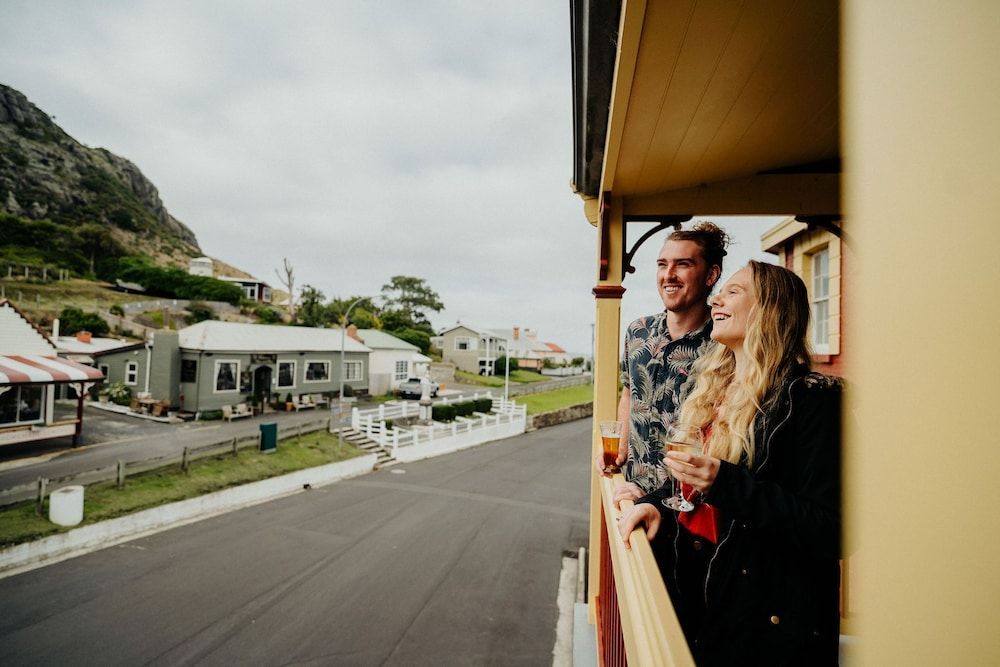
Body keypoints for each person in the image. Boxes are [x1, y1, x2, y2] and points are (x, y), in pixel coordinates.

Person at [617, 261, 842, 665]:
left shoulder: (812, 400)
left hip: (761, 626)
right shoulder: (715, 388)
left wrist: (726, 483)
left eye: (734, 291)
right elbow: (701, 503)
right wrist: (655, 505)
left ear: (770, 309)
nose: (717, 298)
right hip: (702, 599)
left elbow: (831, 530)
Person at [598, 222, 730, 503]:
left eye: (682, 264)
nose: (668, 275)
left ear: (711, 275)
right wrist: (619, 451)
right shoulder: (637, 331)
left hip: (689, 505)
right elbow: (628, 391)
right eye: (662, 264)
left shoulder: (724, 342)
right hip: (631, 493)